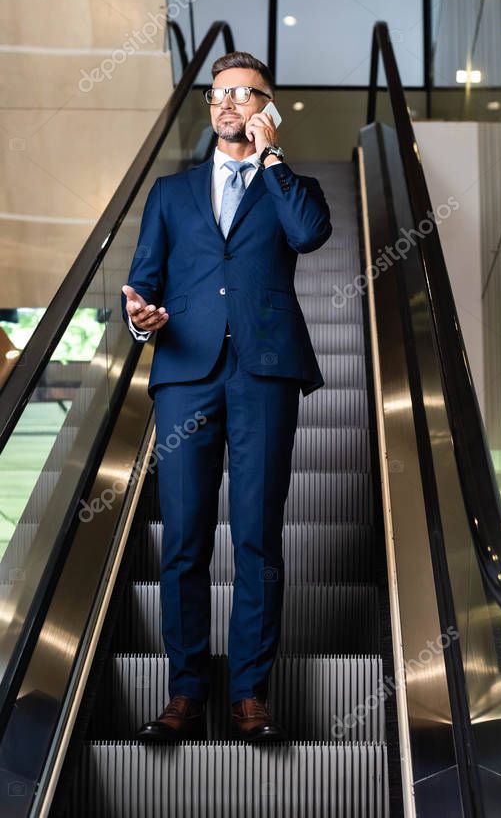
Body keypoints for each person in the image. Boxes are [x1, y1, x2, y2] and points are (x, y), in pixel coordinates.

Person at [120, 50, 332, 743]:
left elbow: (308, 234)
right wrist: (140, 317)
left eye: (246, 94)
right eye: (219, 94)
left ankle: (249, 692)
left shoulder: (289, 188)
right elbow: (143, 282)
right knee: (181, 540)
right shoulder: (169, 193)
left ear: (268, 109)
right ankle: (185, 690)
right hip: (185, 372)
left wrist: (272, 160)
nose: (228, 103)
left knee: (256, 539)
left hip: (264, 374)